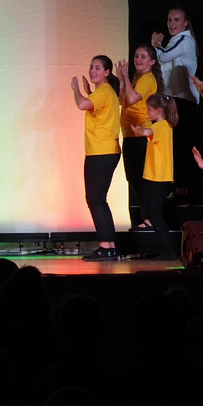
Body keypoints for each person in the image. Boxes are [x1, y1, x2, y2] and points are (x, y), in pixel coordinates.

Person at [68, 55, 121, 261]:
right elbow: (96, 108)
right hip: (106, 151)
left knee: (95, 200)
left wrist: (76, 90)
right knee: (99, 199)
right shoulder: (104, 92)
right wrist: (89, 92)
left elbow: (83, 104)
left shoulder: (104, 91)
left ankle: (106, 246)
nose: (92, 71)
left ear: (107, 72)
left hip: (100, 152)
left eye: (98, 68)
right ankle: (110, 246)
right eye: (91, 67)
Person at [151, 7, 200, 200]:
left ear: (186, 23)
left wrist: (155, 44)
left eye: (176, 20)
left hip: (183, 100)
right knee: (175, 145)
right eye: (169, 20)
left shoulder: (184, 39)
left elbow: (163, 56)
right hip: (175, 99)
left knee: (180, 146)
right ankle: (177, 187)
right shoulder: (174, 40)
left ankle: (183, 189)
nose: (172, 24)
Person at [116, 46, 162, 228]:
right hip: (130, 135)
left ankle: (150, 219)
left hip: (140, 135)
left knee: (140, 180)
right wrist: (122, 80)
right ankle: (146, 218)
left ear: (152, 61)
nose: (138, 59)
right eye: (136, 56)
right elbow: (123, 99)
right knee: (133, 179)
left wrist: (126, 77)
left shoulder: (148, 79)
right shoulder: (138, 79)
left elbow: (133, 98)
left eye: (143, 57)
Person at [131, 94, 179, 260]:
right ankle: (167, 250)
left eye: (149, 110)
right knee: (153, 213)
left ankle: (168, 251)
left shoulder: (160, 126)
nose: (147, 113)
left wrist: (139, 130)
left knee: (154, 214)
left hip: (159, 177)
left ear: (158, 111)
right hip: (157, 176)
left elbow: (148, 131)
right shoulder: (165, 126)